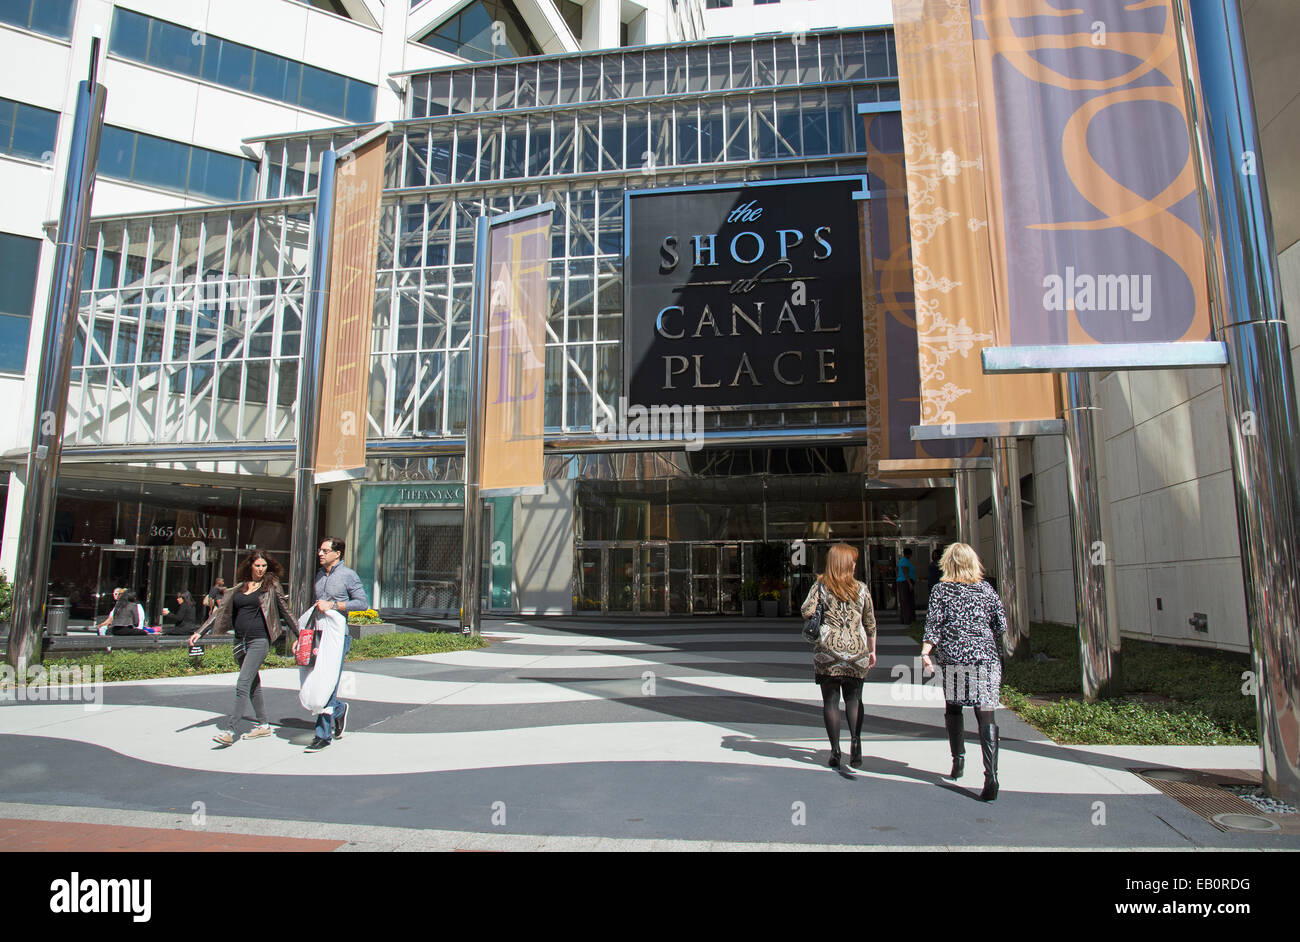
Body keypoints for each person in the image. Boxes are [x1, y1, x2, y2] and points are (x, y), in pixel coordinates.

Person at [920, 542, 1007, 801]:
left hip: (956, 657)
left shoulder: (941, 590)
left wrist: (926, 652)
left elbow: (934, 624)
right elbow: (1000, 623)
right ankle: (991, 775)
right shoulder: (986, 589)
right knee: (986, 714)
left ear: (948, 563)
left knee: (954, 707)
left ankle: (958, 761)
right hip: (986, 657)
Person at [191, 551, 297, 745]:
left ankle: (230, 730)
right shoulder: (239, 588)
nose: (261, 569)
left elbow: (285, 611)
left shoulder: (271, 586)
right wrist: (201, 632)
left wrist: (301, 635)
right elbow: (219, 612)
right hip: (240, 641)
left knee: (243, 683)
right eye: (257, 566)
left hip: (259, 640)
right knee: (253, 685)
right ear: (250, 566)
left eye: (264, 566)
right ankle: (264, 725)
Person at [800, 543, 877, 768]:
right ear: (844, 563)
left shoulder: (821, 586)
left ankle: (835, 750)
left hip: (828, 651)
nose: (855, 565)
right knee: (854, 699)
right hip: (856, 651)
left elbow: (806, 610)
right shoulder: (861, 588)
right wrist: (872, 651)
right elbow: (870, 623)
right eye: (852, 561)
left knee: (831, 701)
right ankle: (856, 741)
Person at [307, 537, 368, 752]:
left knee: (328, 683)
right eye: (320, 549)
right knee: (317, 681)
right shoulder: (319, 575)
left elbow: (362, 603)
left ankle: (322, 735)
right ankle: (339, 710)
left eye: (325, 550)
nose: (320, 553)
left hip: (337, 636)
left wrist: (333, 604)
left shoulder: (348, 575)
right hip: (319, 634)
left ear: (337, 553)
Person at [896, 547, 917, 624]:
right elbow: (905, 572)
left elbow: (897, 569)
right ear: (909, 554)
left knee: (905, 601)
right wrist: (910, 583)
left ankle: (905, 619)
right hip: (905, 582)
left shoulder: (902, 561)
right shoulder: (904, 561)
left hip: (903, 581)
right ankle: (907, 619)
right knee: (907, 601)